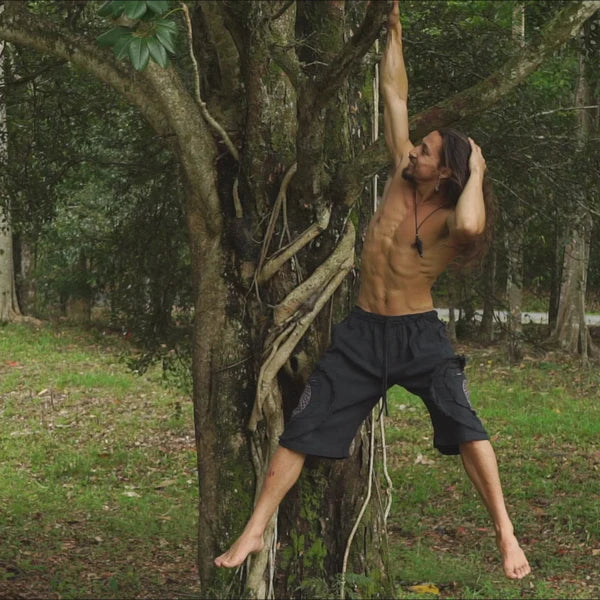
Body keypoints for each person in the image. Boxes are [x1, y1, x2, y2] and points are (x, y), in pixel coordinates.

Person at [215, 0, 531, 581]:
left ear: (447, 173)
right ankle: (256, 528)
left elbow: (470, 225)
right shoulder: (399, 177)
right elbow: (394, 96)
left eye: (426, 152)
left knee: (465, 425)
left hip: (418, 337)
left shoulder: (451, 216)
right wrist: (393, 31)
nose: (414, 151)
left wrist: (479, 170)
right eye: (418, 146)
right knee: (303, 427)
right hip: (361, 333)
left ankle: (506, 533)